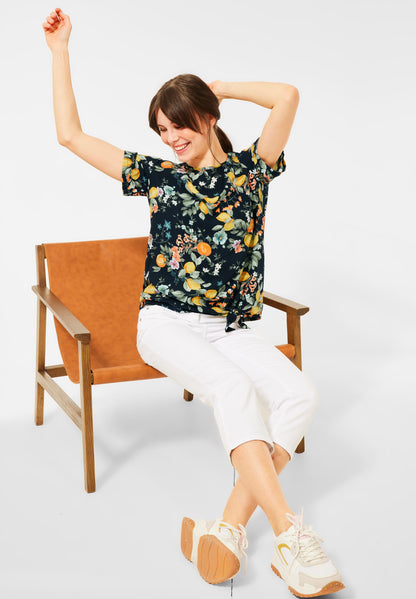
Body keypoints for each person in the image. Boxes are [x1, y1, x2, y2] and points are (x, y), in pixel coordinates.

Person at [43, 8, 344, 597]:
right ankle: (291, 537)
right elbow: (70, 136)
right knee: (233, 390)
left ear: (206, 118)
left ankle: (228, 527)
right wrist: (60, 52)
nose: (170, 138)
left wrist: (220, 87)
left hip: (229, 329)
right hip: (165, 324)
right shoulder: (159, 176)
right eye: (161, 129)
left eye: (177, 125)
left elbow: (286, 96)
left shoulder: (253, 173)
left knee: (299, 396)